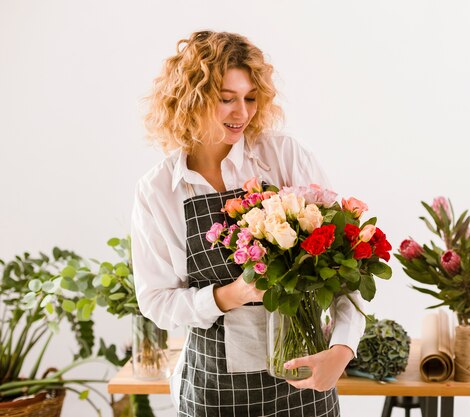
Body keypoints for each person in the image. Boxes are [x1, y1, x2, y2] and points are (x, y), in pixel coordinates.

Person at [131, 30, 366, 416]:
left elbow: (346, 263)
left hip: (303, 381)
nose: (241, 113)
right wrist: (231, 295)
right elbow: (156, 300)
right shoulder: (158, 190)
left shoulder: (282, 156)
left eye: (250, 98)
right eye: (226, 99)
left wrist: (341, 350)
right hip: (212, 392)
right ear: (190, 100)